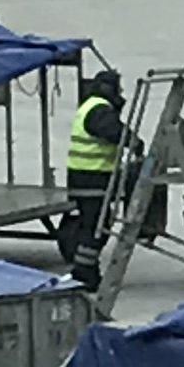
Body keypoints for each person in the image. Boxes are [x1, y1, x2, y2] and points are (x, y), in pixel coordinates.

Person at [60, 67, 127, 281]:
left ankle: (86, 269)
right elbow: (114, 133)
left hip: (83, 177)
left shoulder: (89, 105)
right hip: (92, 178)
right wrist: (134, 142)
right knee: (97, 226)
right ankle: (84, 272)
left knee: (95, 224)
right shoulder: (100, 109)